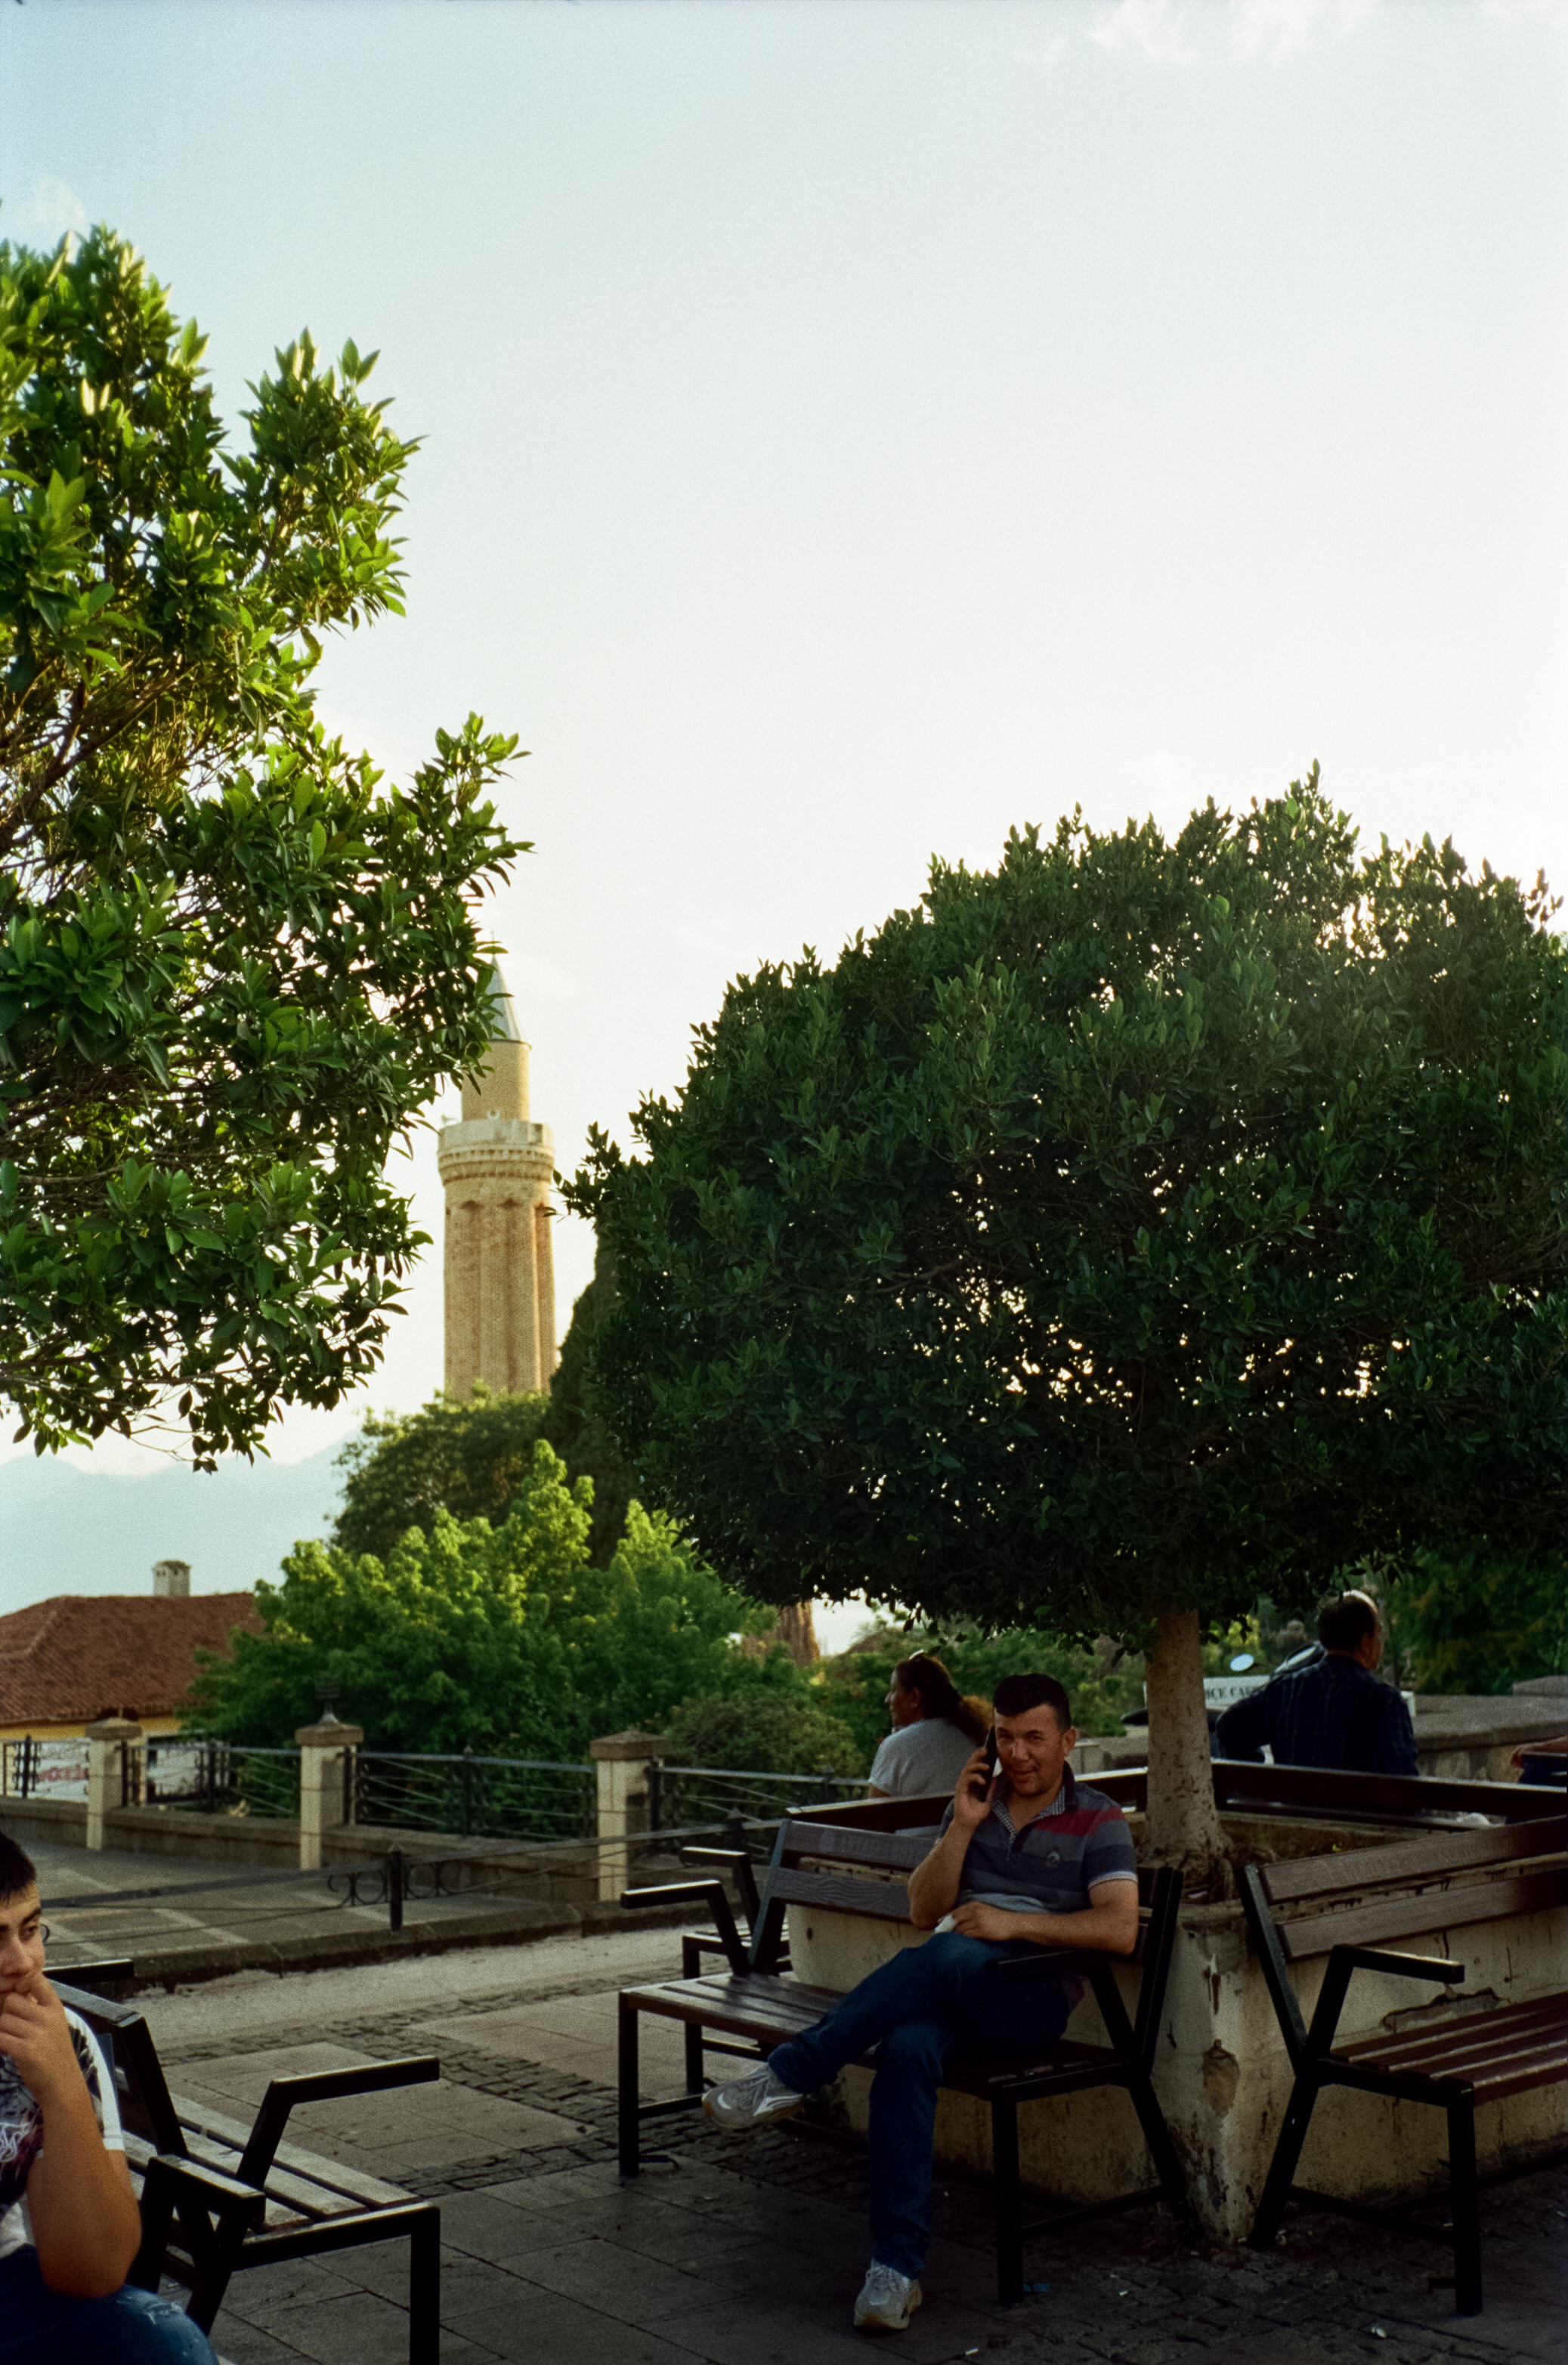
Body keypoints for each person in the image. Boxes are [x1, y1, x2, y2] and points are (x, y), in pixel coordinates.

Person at [703, 1673, 1140, 2333]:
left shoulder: (1099, 1820)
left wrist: (1011, 1924)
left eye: (1035, 1739)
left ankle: (791, 2073)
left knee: (949, 1951)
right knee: (908, 2043)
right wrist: (962, 1828)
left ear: (1068, 1742)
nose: (1018, 1754)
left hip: (1029, 2005)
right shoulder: (973, 1803)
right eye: (1006, 1736)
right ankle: (894, 2271)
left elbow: (1118, 1928)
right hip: (952, 1985)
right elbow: (920, 1910)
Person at [0, 1835, 216, 2363]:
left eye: (30, 1931)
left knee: (166, 2344)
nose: (22, 1962)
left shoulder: (56, 2039)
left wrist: (62, 2088)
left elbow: (94, 2269)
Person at [1214, 1594, 1417, 1776]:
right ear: (1365, 1643)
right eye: (1378, 1634)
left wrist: (1260, 1786)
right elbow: (1402, 1785)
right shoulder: (1382, 1702)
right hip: (1357, 1818)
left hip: (1293, 1816)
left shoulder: (1282, 1690)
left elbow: (1229, 1725)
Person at [867, 1652, 990, 1801]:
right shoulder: (977, 1735)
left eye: (893, 1690)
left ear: (915, 1697)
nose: (887, 1699)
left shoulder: (897, 1746)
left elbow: (873, 1817)